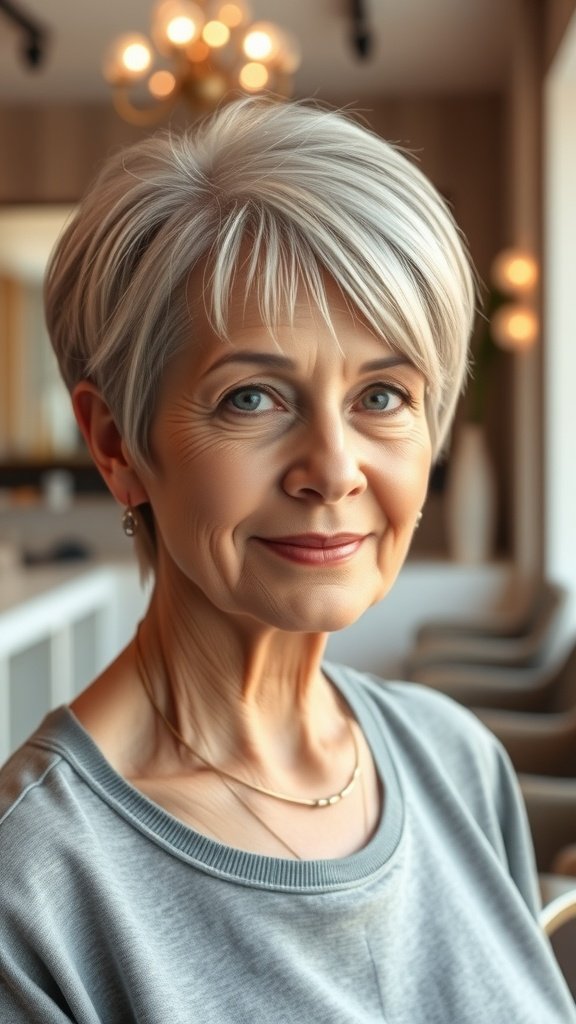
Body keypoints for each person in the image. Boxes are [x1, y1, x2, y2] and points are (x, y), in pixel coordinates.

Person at [0, 97, 573, 1024]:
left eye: (382, 395)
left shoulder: (456, 758)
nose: (334, 470)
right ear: (116, 443)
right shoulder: (32, 889)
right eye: (253, 398)